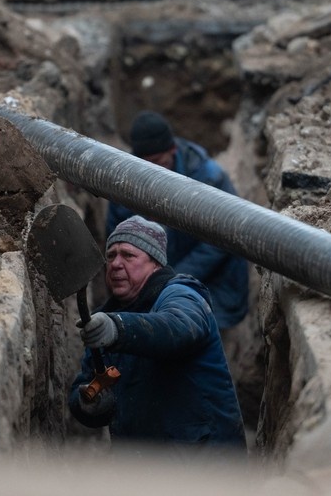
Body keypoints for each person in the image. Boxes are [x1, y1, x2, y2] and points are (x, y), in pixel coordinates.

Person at [68, 216, 247, 455]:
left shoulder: (182, 294)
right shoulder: (105, 320)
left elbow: (181, 327)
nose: (115, 264)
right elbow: (86, 383)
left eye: (128, 255)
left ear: (156, 264)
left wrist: (118, 328)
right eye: (110, 255)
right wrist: (87, 404)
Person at [106, 111, 249, 331]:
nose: (152, 172)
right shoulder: (124, 180)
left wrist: (169, 279)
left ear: (172, 150)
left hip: (212, 285)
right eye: (145, 165)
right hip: (152, 284)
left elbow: (222, 239)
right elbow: (115, 235)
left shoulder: (209, 178)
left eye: (158, 163)